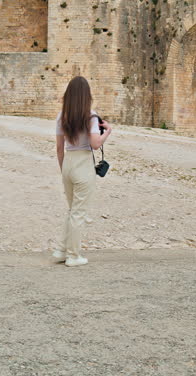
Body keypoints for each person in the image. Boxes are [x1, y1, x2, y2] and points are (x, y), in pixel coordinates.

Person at [54, 76, 112, 267]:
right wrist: (107, 132)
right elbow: (95, 144)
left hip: (68, 164)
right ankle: (73, 255)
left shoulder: (62, 116)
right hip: (83, 163)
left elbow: (59, 148)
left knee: (72, 211)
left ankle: (61, 250)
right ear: (87, 95)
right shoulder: (90, 116)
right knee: (78, 213)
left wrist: (64, 170)